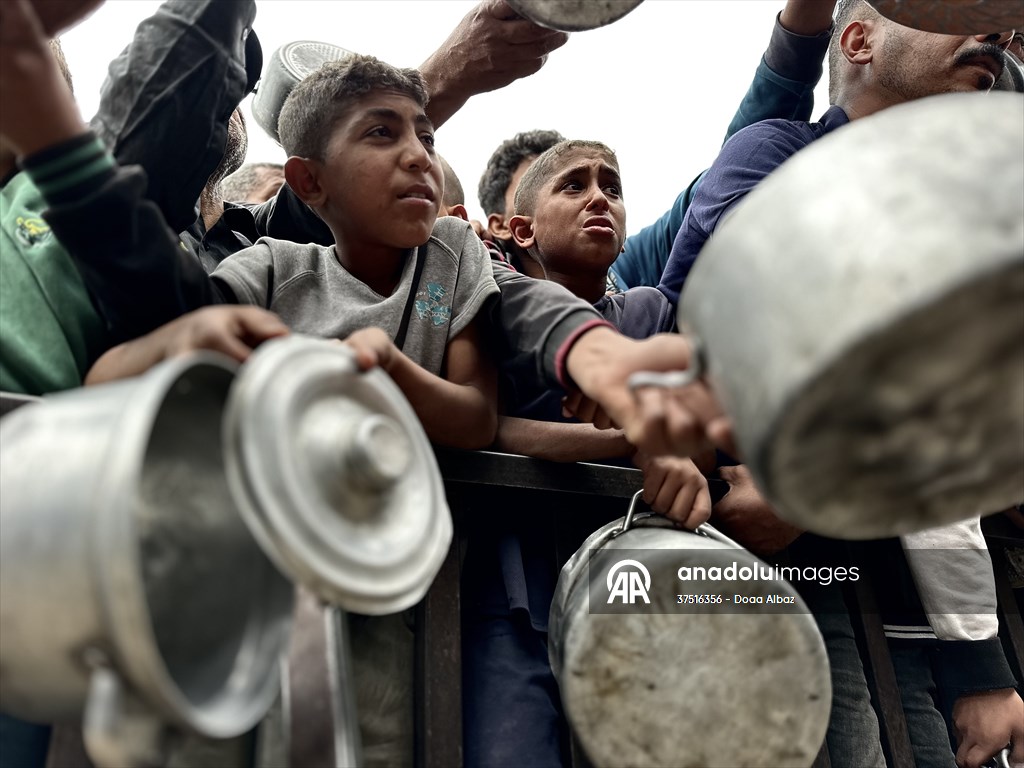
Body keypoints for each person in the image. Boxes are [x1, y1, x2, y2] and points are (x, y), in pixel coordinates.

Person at [655, 2, 1023, 765]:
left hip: (892, 595)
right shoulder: (774, 153)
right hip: (757, 574)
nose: (993, 34)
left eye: (1003, 25)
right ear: (858, 40)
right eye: (953, 11)